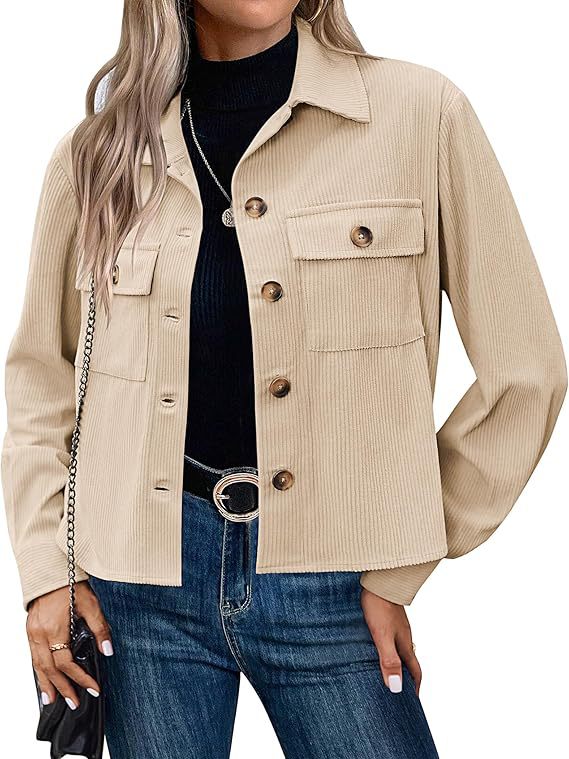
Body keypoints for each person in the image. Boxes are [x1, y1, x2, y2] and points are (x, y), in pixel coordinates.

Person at [2, 1, 566, 757]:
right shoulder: (98, 155)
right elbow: (41, 380)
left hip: (337, 582)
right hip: (138, 593)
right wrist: (47, 574)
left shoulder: (419, 115)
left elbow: (527, 370)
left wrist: (402, 560)